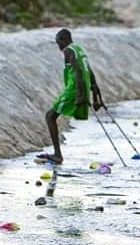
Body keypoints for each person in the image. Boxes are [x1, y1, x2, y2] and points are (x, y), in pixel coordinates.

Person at [38, 29, 103, 165]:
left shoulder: (68, 50)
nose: (58, 46)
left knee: (50, 116)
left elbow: (78, 72)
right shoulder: (78, 49)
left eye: (58, 42)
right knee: (51, 116)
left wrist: (80, 95)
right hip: (80, 87)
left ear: (63, 40)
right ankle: (57, 154)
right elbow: (89, 70)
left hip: (74, 89)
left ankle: (57, 155)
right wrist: (95, 93)